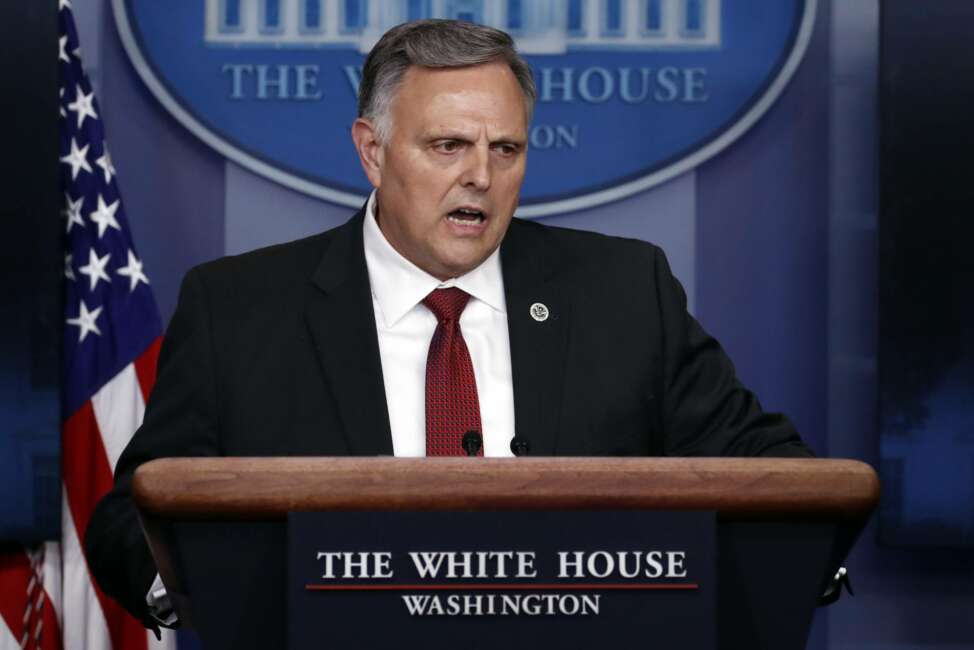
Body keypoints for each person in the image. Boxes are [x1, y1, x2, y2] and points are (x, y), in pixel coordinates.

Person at [86, 19, 811, 629]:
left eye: (506, 150)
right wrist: (200, 586)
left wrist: (807, 550)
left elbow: (767, 468)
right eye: (447, 147)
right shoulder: (239, 309)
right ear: (372, 150)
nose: (481, 177)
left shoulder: (623, 292)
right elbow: (134, 512)